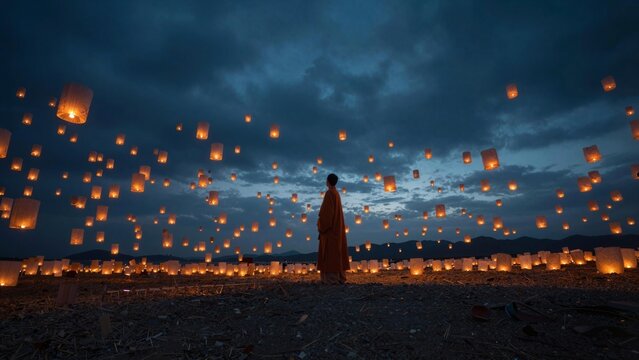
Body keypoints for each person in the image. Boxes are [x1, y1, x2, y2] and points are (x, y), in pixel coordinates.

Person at [317, 173, 349, 284]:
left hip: (330, 231)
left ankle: (331, 279)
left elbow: (327, 215)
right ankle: (340, 277)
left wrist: (321, 226)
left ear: (328, 181)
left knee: (330, 254)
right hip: (337, 230)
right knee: (337, 253)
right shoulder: (336, 193)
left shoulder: (330, 193)